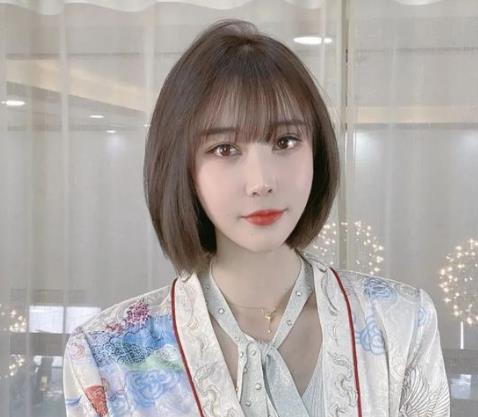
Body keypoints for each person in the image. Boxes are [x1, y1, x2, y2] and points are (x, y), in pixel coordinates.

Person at [63, 19, 450, 417]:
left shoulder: (400, 322)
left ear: (316, 150)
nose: (262, 182)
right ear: (182, 165)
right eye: (225, 149)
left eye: (285, 141)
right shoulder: (108, 355)